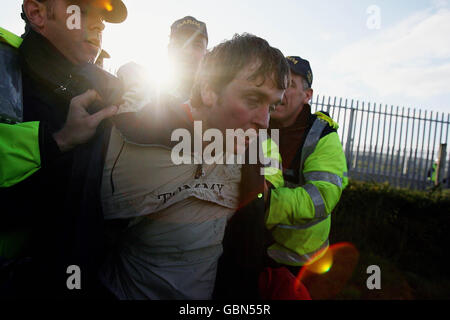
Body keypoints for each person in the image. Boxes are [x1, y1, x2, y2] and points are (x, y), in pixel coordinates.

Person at [99, 33, 290, 300]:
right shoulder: (135, 142)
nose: (265, 121)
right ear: (209, 90)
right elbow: (80, 232)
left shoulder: (250, 151)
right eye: (253, 99)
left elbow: (245, 237)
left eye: (272, 105)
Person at [0, 0, 127, 299]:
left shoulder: (108, 90)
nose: (98, 25)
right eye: (81, 11)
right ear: (37, 13)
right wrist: (59, 141)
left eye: (102, 18)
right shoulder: (4, 66)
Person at [266, 56, 348, 276]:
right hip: (252, 249)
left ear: (307, 96)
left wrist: (265, 205)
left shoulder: (323, 135)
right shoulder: (257, 122)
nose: (281, 90)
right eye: (277, 81)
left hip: (300, 263)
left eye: (290, 85)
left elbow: (322, 195)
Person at [166, 15, 208, 102]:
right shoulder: (146, 95)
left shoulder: (217, 100)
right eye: (179, 44)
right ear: (169, 50)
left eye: (197, 45)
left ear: (206, 54)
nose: (188, 52)